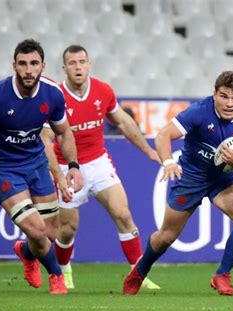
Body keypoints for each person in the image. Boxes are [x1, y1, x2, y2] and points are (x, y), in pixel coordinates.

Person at [123, 71, 233, 296]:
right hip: (192, 176)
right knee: (166, 237)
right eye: (224, 96)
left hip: (224, 178)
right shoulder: (199, 111)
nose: (229, 103)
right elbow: (163, 135)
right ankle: (140, 271)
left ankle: (222, 274)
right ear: (214, 95)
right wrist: (169, 162)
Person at [40, 45, 161, 290]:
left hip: (98, 162)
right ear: (64, 68)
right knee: (67, 229)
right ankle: (64, 271)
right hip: (66, 168)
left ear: (89, 64)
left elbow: (124, 122)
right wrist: (57, 176)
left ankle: (138, 273)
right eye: (72, 63)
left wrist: (148, 149)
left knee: (123, 214)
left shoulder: (102, 91)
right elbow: (45, 138)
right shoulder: (56, 97)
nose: (77, 67)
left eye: (81, 62)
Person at [0, 39, 83, 295]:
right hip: (2, 168)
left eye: (34, 64)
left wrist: (73, 166)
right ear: (14, 66)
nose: (28, 70)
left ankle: (26, 252)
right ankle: (56, 276)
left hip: (36, 163)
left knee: (50, 232)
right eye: (23, 64)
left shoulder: (52, 95)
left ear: (43, 66)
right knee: (35, 229)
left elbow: (64, 133)